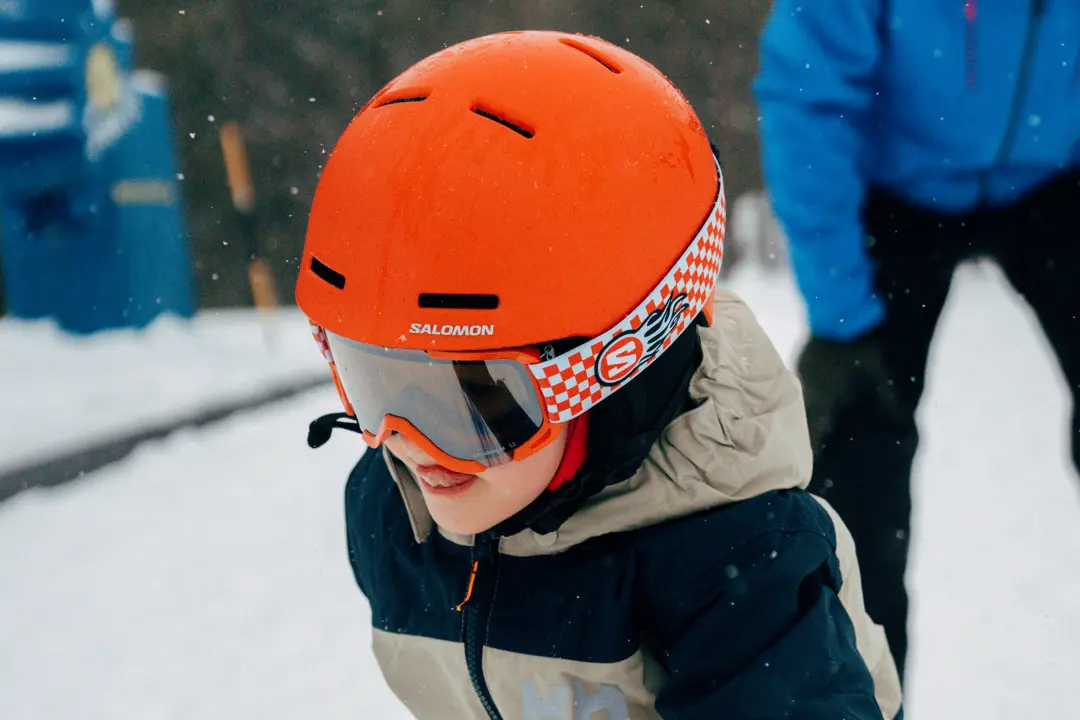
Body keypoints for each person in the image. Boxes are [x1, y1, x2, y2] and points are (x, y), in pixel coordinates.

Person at [297, 31, 901, 720]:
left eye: (476, 397)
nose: (408, 443)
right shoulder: (392, 514)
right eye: (373, 382)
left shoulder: (735, 562)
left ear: (619, 370)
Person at [753, 0, 1080, 682]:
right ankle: (854, 687)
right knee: (855, 443)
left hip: (1060, 179)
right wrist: (843, 315)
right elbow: (807, 95)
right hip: (897, 193)